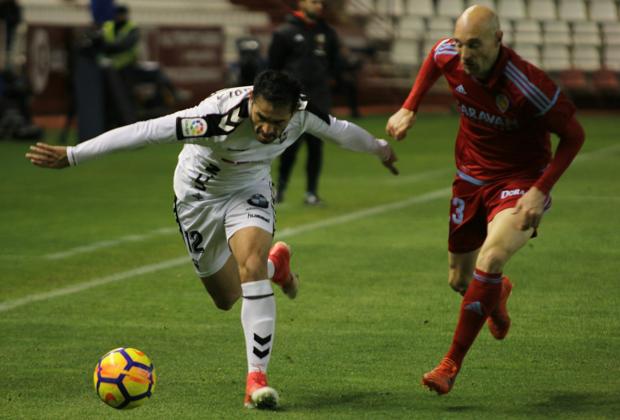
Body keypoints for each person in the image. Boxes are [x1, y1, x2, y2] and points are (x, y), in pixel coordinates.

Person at [26, 70, 398, 409]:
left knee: (249, 266)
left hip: (249, 188)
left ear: (291, 114)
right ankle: (277, 267)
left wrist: (380, 149)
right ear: (252, 102)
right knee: (226, 296)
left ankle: (256, 380)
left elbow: (342, 130)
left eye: (277, 123)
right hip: (197, 197)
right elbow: (146, 131)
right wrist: (74, 155)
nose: (268, 129)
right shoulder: (215, 119)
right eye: (262, 119)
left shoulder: (303, 113)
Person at [385, 5, 585, 395]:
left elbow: (574, 136)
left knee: (489, 258)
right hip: (469, 180)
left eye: (474, 45)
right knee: (460, 281)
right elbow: (435, 57)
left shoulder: (529, 86)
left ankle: (449, 366)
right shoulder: (451, 56)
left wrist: (539, 189)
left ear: (498, 40)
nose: (464, 54)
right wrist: (410, 105)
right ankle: (497, 293)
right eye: (460, 44)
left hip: (519, 183)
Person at [268, 0, 341, 205]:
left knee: (316, 146)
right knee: (289, 145)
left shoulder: (328, 33)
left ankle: (311, 192)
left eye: (321, 3)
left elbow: (335, 64)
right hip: (292, 101)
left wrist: (326, 82)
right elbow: (274, 66)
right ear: (302, 3)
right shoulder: (284, 32)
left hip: (319, 99)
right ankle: (279, 189)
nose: (319, 6)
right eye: (314, 1)